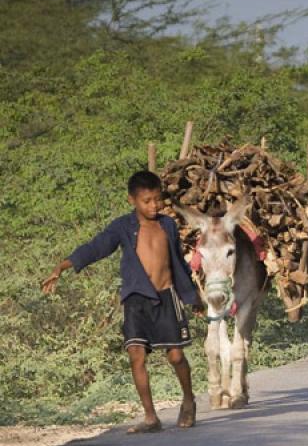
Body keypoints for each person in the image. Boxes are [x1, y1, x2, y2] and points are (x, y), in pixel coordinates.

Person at [41, 171, 199, 432]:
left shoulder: (168, 225)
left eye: (157, 200)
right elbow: (97, 247)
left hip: (166, 296)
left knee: (176, 356)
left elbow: (178, 263)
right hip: (136, 298)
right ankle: (150, 417)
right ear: (132, 201)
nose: (153, 206)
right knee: (136, 356)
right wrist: (63, 266)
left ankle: (189, 400)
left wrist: (192, 297)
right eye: (147, 201)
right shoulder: (122, 227)